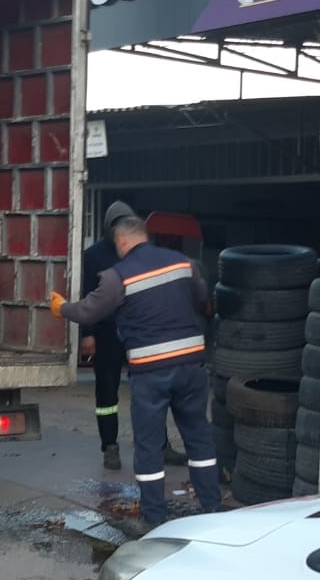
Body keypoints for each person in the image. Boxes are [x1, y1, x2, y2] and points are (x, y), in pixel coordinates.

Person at [53, 214, 221, 530]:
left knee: (148, 446)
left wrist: (61, 308)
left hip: (152, 371)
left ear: (122, 241)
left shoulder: (118, 276)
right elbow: (202, 299)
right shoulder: (183, 263)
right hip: (191, 365)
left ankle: (154, 518)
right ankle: (211, 507)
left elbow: (89, 310)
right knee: (199, 438)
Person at [80, 201, 135, 470]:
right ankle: (110, 446)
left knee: (149, 390)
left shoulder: (138, 253)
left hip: (137, 331)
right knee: (107, 392)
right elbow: (86, 296)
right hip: (105, 333)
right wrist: (87, 334)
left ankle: (160, 444)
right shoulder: (92, 256)